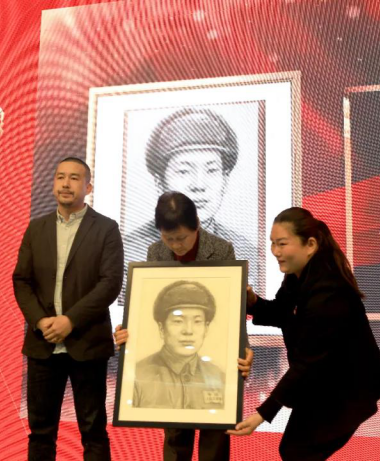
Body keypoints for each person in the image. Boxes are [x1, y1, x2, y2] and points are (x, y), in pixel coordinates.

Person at [228, 207, 380, 461]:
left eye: (282, 243)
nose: (275, 251)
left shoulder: (329, 291)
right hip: (321, 381)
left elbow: (307, 362)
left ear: (310, 245)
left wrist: (262, 414)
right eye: (273, 243)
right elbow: (281, 313)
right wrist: (252, 302)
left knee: (297, 451)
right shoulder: (297, 276)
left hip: (347, 389)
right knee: (294, 451)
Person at [115, 191, 253, 461]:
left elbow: (230, 309)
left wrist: (242, 348)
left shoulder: (221, 249)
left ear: (197, 225)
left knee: (215, 434)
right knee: (175, 434)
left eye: (182, 238)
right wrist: (130, 329)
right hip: (170, 360)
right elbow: (149, 303)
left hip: (214, 354)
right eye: (169, 238)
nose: (176, 245)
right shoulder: (155, 251)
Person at [12, 157, 123, 461]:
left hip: (87, 342)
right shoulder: (37, 228)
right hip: (43, 342)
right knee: (40, 432)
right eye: (60, 176)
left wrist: (70, 320)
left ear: (88, 187)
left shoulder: (106, 228)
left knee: (93, 431)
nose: (65, 183)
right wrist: (40, 321)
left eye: (74, 178)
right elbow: (21, 280)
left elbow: (110, 283)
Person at [123, 108, 258, 289]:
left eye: (211, 170)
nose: (199, 185)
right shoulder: (129, 251)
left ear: (225, 178)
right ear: (159, 181)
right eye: (184, 171)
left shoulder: (244, 250)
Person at [133, 280, 225, 410]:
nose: (188, 331)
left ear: (206, 328)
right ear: (161, 328)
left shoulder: (218, 377)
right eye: (178, 321)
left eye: (197, 321)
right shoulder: (137, 376)